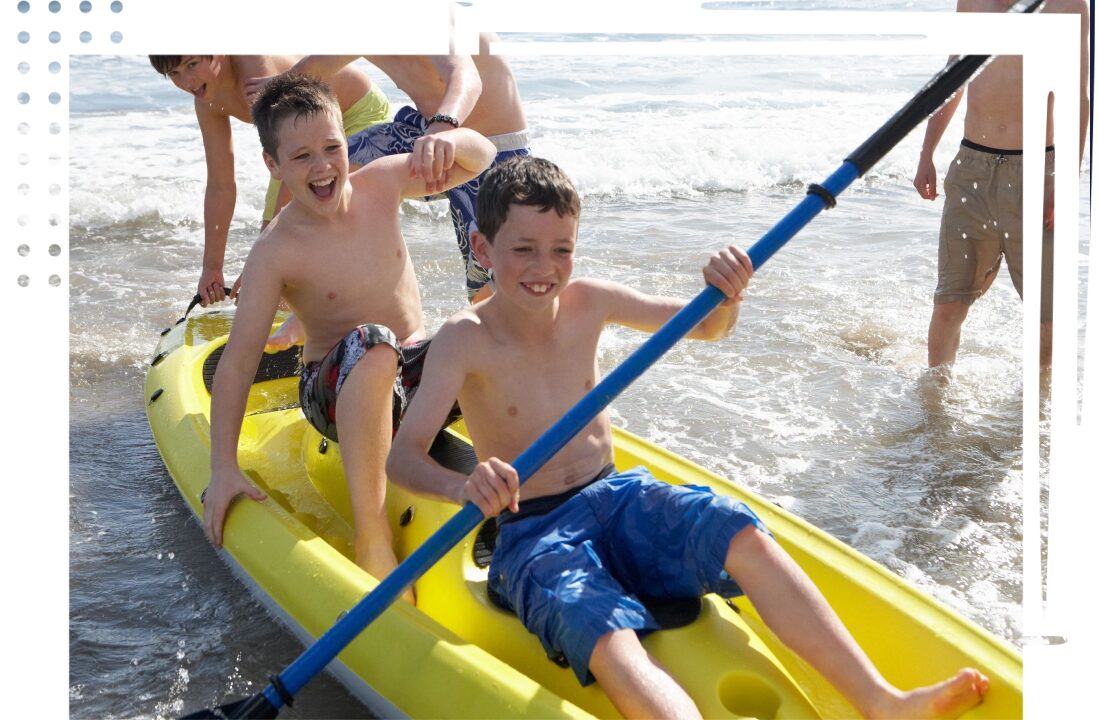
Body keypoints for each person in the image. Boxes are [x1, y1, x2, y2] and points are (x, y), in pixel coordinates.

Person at [387, 156, 991, 718]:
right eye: (524, 249)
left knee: (738, 528)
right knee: (601, 627)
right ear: (482, 247)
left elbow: (705, 327)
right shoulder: (464, 338)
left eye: (561, 249)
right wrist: (466, 484)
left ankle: (880, 700)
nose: (545, 268)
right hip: (534, 531)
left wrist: (727, 291)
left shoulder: (589, 301)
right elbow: (404, 459)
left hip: (618, 496)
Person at [202, 73, 494, 594]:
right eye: (301, 157)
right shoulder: (277, 249)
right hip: (335, 394)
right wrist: (223, 467)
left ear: (346, 140)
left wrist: (448, 139)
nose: (322, 167)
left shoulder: (381, 184)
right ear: (273, 166)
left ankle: (531, 485)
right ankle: (373, 536)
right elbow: (240, 359)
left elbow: (484, 157)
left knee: (480, 326)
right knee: (376, 343)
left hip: (414, 387)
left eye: (332, 147)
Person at [243, 32, 531, 302]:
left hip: (493, 151)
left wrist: (442, 127)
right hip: (423, 135)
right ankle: (301, 280)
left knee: (491, 284)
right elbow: (321, 64)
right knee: (330, 166)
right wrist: (282, 83)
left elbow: (467, 78)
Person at [912, 0, 1089, 369]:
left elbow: (1079, 96)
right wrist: (926, 153)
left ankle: (1038, 402)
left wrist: (1065, 181)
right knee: (949, 303)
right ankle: (935, 408)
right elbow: (952, 79)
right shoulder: (973, 2)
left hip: (1040, 175)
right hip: (971, 172)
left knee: (1046, 317)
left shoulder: (1068, 5)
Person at [148, 55, 391, 306]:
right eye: (174, 74)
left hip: (357, 113)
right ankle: (291, 321)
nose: (187, 81)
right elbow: (221, 186)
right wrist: (212, 268)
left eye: (192, 65)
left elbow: (296, 175)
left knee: (307, 225)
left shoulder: (255, 72)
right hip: (299, 143)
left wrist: (259, 264)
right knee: (275, 249)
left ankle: (356, 307)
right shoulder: (207, 102)